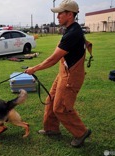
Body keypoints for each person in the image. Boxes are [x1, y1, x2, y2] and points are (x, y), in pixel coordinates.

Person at [24, 0, 91, 147]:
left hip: (71, 76)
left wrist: (33, 69)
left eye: (60, 13)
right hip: (64, 72)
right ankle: (51, 129)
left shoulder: (73, 33)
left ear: (70, 14)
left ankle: (81, 133)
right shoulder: (70, 29)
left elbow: (53, 59)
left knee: (61, 107)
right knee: (51, 99)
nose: (58, 16)